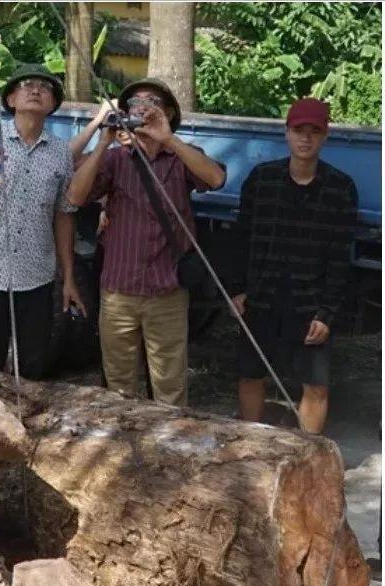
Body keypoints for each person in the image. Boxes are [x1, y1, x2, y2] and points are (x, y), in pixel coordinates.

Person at [68, 78, 226, 406]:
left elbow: (216, 178)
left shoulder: (180, 156)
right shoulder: (115, 159)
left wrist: (167, 138)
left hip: (167, 290)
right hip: (119, 291)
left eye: (151, 100)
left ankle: (168, 452)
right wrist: (103, 142)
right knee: (119, 386)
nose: (142, 106)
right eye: (134, 102)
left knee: (170, 386)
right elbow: (75, 195)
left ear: (167, 111)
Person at [229, 98, 357, 434]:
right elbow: (240, 239)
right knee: (251, 374)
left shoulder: (340, 188)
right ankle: (250, 450)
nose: (306, 138)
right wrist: (236, 290)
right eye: (299, 130)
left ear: (325, 136)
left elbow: (340, 257)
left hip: (310, 303)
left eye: (315, 131)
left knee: (316, 385)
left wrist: (327, 313)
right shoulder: (261, 179)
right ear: (286, 133)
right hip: (261, 296)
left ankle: (307, 457)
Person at [0, 64, 84, 380]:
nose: (36, 90)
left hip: (35, 277)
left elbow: (64, 215)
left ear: (52, 104)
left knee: (34, 368)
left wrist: (68, 277)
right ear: (11, 99)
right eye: (26, 84)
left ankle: (25, 426)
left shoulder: (61, 153)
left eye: (45, 87)